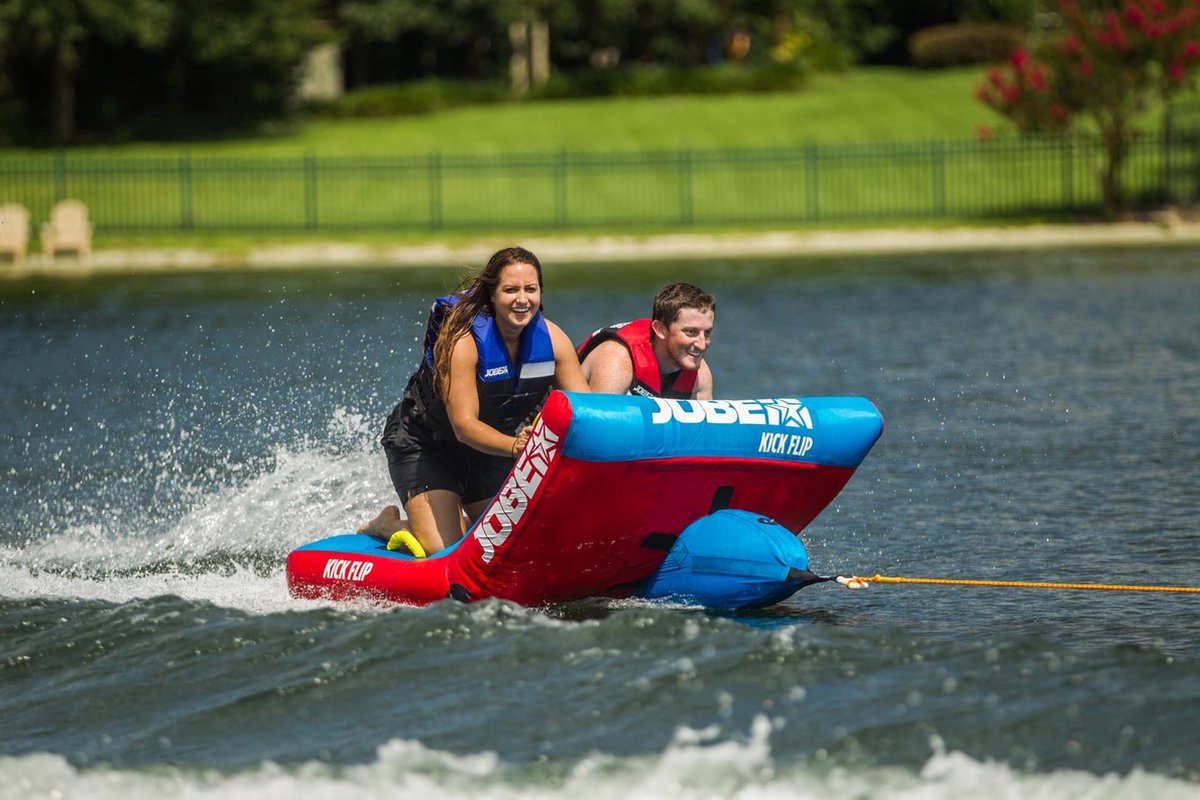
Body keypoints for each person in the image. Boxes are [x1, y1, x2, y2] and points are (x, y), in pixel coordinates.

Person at [358, 246, 589, 556]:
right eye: (510, 289)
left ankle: (453, 519)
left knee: (520, 538)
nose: (522, 299)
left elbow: (585, 412)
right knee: (442, 547)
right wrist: (516, 447)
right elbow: (464, 426)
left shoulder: (554, 341)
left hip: (488, 452)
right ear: (492, 295)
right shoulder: (463, 343)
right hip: (427, 445)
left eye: (530, 289)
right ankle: (387, 524)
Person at [577, 281, 715, 400]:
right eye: (691, 332)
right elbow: (597, 427)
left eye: (707, 332)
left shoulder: (700, 373)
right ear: (660, 330)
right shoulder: (617, 360)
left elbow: (705, 430)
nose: (702, 345)